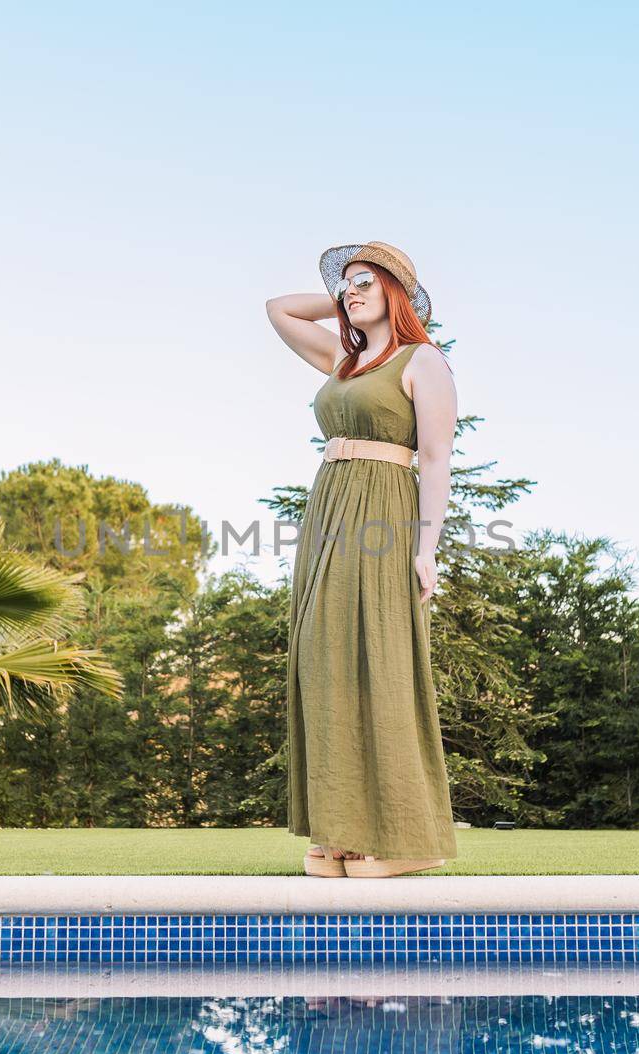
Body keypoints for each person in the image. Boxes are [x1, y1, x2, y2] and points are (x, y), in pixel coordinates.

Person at [263, 241, 460, 878]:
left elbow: (434, 458)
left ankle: (402, 838)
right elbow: (279, 310)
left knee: (382, 660)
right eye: (346, 284)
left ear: (397, 292)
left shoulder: (422, 359)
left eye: (365, 283)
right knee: (324, 659)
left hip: (384, 511)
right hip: (328, 510)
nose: (351, 292)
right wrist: (345, 296)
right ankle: (340, 832)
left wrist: (427, 549)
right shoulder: (343, 359)